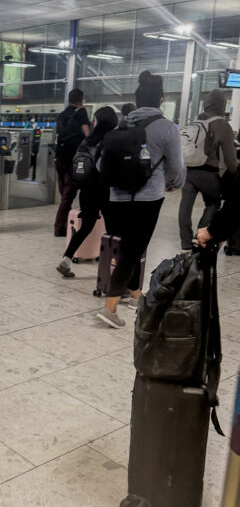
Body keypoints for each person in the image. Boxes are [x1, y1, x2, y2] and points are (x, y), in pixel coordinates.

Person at [96, 71, 185, 329]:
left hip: (116, 196)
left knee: (128, 246)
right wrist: (170, 184)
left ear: (136, 99)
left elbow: (103, 162)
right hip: (147, 197)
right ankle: (110, 306)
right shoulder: (167, 128)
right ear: (160, 99)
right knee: (133, 250)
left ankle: (135, 293)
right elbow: (178, 168)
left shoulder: (121, 126)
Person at [56, 106, 118, 278]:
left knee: (86, 227)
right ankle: (111, 270)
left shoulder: (88, 140)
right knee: (113, 230)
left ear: (97, 121)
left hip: (87, 189)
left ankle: (65, 260)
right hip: (106, 190)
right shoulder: (113, 139)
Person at [178, 88, 237, 252]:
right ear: (222, 104)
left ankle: (185, 241)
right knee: (213, 203)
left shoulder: (195, 121)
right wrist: (234, 173)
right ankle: (201, 236)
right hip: (208, 173)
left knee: (185, 206)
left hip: (188, 171)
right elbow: (231, 161)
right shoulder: (223, 125)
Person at [54, 88, 91, 236]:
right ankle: (59, 227)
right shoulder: (81, 113)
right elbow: (87, 134)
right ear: (81, 100)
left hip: (59, 156)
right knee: (68, 195)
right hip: (73, 158)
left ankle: (64, 224)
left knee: (64, 192)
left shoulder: (62, 115)